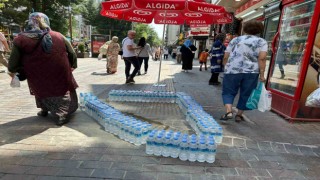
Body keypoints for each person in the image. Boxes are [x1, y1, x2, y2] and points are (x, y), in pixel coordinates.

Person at [8, 12, 78, 126]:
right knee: (62, 90)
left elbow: (13, 62)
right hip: (59, 70)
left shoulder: (20, 39)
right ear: (46, 21)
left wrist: (14, 70)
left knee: (40, 89)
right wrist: (73, 65)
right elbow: (72, 52)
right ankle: (62, 114)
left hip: (36, 72)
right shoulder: (59, 35)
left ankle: (44, 109)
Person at [220, 20, 268, 122]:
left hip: (232, 70)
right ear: (259, 30)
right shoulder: (262, 42)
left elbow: (226, 55)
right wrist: (262, 74)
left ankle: (229, 112)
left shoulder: (235, 40)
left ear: (244, 29)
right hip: (251, 72)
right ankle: (239, 115)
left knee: (228, 91)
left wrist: (226, 66)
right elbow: (262, 58)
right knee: (246, 93)